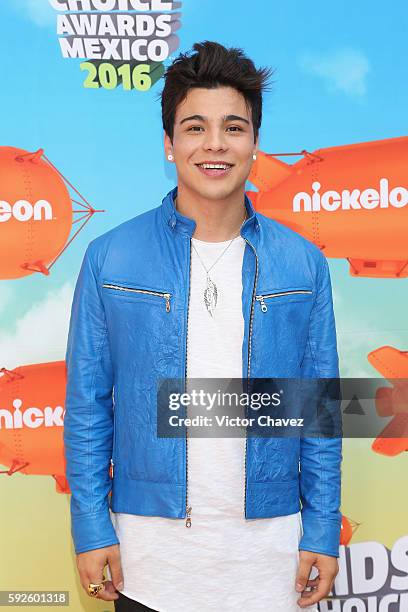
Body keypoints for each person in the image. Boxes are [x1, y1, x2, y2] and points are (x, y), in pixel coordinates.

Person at [64, 41, 342, 611]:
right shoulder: (109, 258)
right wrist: (92, 525)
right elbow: (89, 405)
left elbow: (320, 408)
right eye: (195, 127)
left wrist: (321, 529)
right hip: (148, 563)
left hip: (270, 563)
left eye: (233, 127)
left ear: (255, 145)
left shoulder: (303, 262)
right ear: (169, 144)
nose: (215, 144)